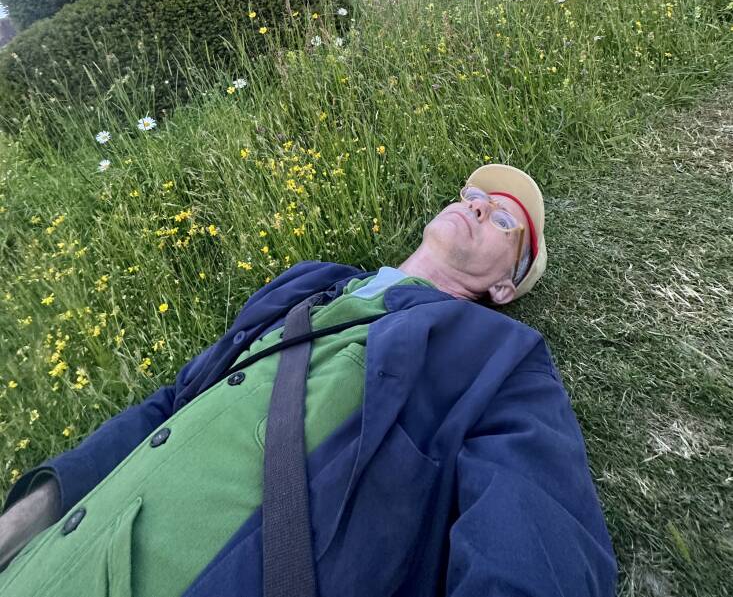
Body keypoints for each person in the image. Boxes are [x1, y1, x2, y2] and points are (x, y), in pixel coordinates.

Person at [0, 164, 617, 596]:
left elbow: (538, 545)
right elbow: (175, 401)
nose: (478, 202)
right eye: (472, 193)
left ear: (503, 287)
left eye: (504, 220)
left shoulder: (500, 358)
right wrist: (26, 518)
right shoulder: (309, 283)